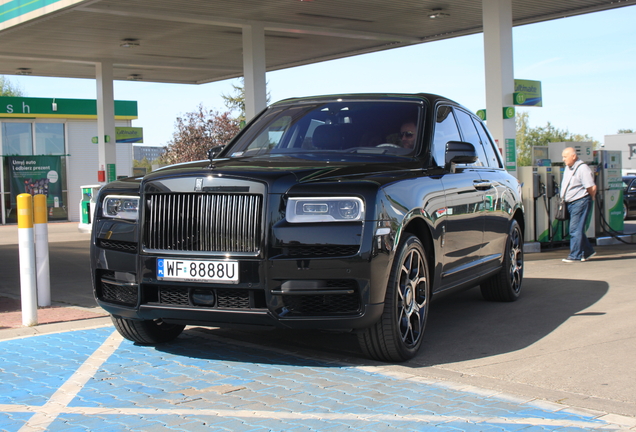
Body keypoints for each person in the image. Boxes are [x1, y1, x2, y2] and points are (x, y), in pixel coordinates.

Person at [560, 147, 597, 263]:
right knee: (577, 229)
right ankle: (587, 251)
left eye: (565, 157)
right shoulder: (568, 168)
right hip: (570, 203)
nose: (563, 159)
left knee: (575, 229)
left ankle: (575, 255)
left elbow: (591, 187)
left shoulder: (583, 168)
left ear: (574, 156)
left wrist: (590, 198)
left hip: (580, 201)